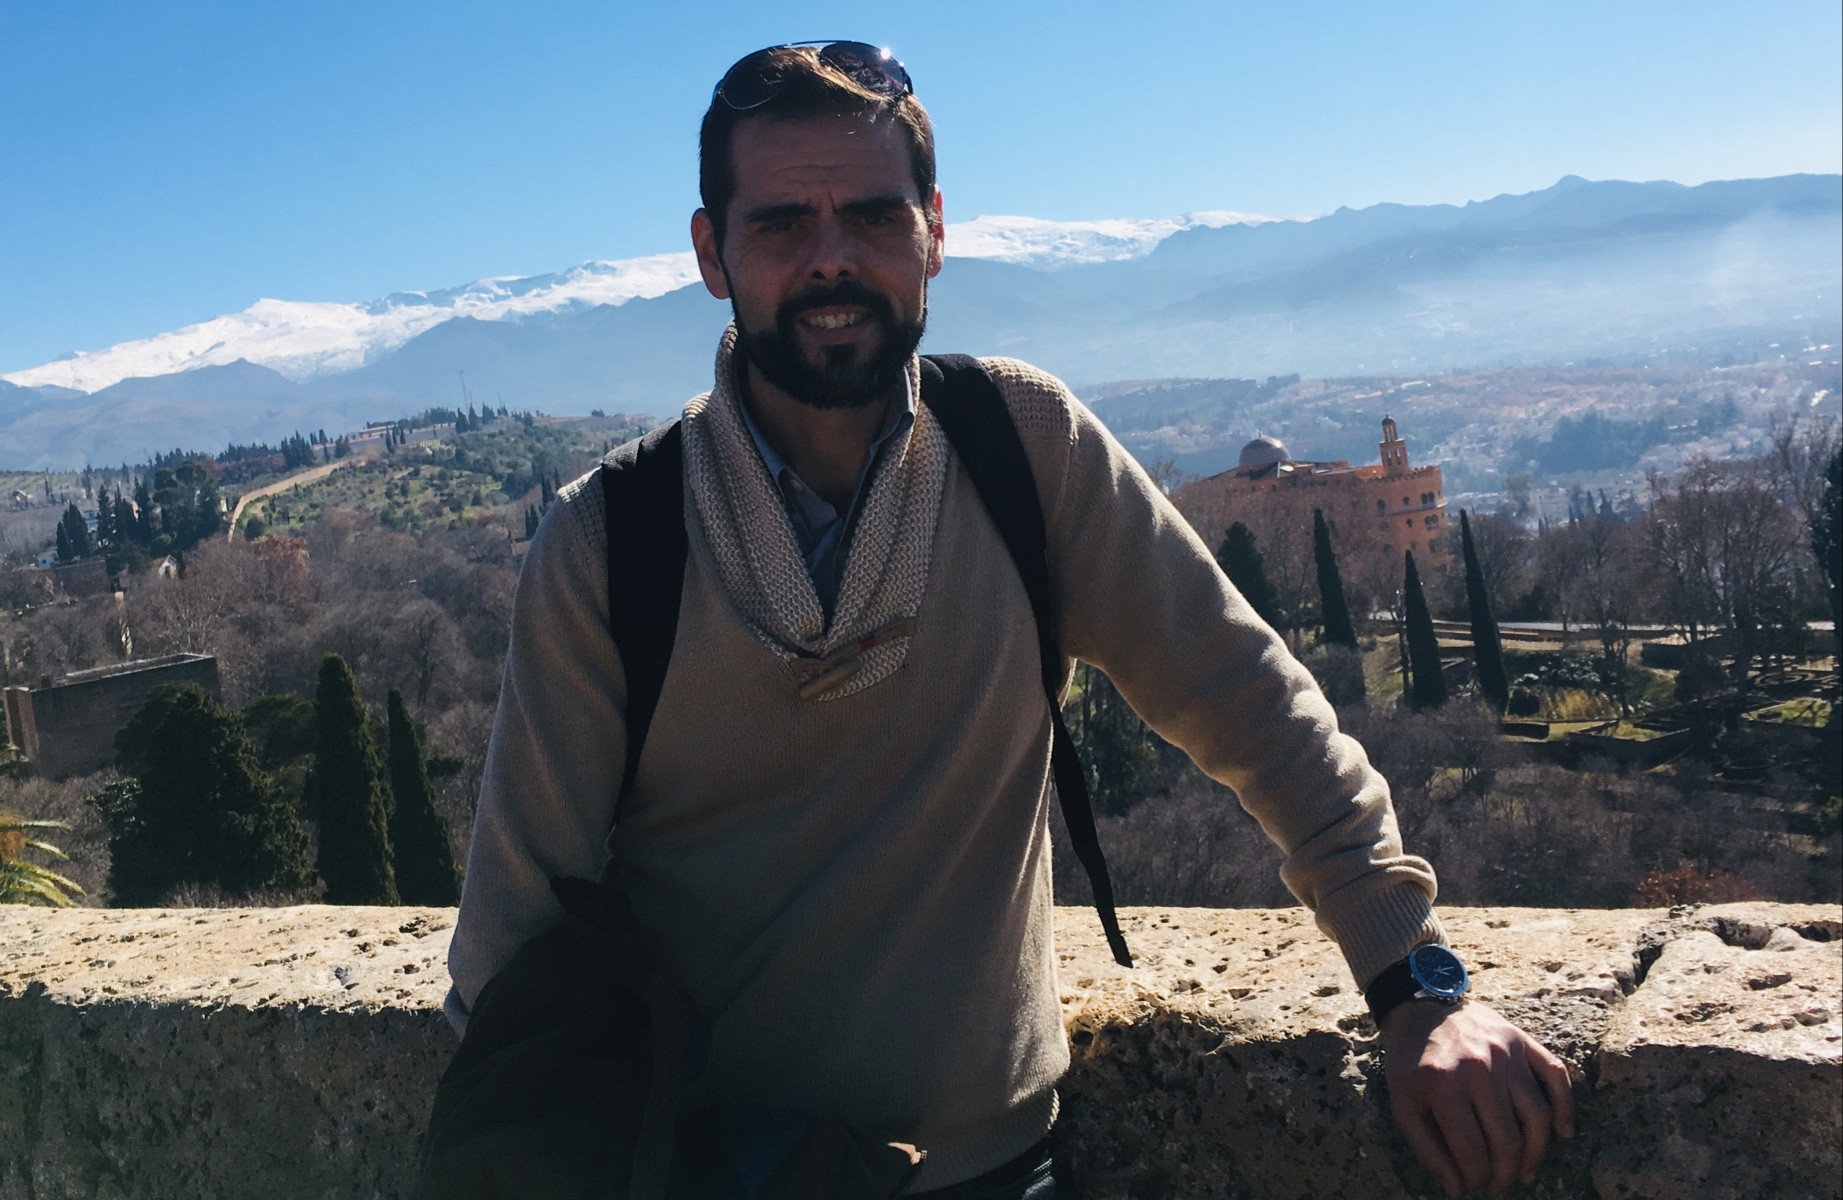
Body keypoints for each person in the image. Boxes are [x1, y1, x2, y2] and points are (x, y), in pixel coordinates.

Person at [445, 41, 1575, 1199]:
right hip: (702, 1175)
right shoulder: (612, 538)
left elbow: (1246, 698)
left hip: (991, 1167)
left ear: (933, 231)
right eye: (780, 223)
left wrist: (1412, 979)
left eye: (873, 216)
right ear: (709, 253)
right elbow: (513, 936)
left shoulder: (1023, 447)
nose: (832, 258)